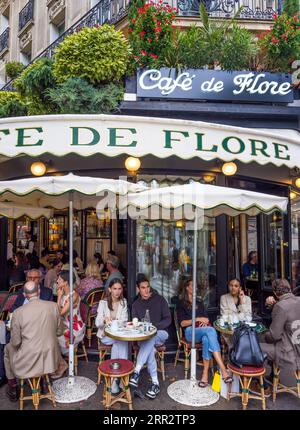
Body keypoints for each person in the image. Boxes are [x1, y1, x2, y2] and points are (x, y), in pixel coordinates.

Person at [4, 281, 63, 401]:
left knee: (7, 348)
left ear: (25, 294)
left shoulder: (18, 312)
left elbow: (16, 342)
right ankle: (42, 382)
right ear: (39, 291)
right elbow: (59, 332)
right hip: (51, 360)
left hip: (29, 360)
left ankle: (13, 386)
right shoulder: (53, 306)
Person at [176, 278, 233, 388]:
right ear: (187, 288)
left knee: (207, 339)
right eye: (193, 286)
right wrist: (197, 319)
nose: (196, 288)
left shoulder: (199, 302)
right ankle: (223, 369)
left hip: (202, 331)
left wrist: (202, 321)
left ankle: (205, 374)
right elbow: (182, 323)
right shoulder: (181, 303)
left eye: (196, 286)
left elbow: (206, 320)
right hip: (189, 332)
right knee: (210, 331)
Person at [129, 275, 171, 399]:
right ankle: (155, 384)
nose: (146, 290)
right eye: (143, 288)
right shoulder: (136, 305)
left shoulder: (160, 299)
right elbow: (135, 324)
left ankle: (136, 371)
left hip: (161, 333)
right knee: (150, 349)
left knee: (151, 336)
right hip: (144, 338)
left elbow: (168, 319)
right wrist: (144, 329)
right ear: (138, 289)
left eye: (148, 287)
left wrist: (153, 327)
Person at [257, 279, 300, 390]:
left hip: (289, 353)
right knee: (274, 344)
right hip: (297, 347)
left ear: (275, 293)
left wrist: (264, 333)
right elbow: (290, 317)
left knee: (257, 347)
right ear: (290, 288)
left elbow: (274, 336)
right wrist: (274, 305)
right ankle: (272, 376)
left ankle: (261, 385)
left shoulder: (281, 306)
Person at [95, 278, 128, 394]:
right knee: (121, 342)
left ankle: (114, 380)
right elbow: (97, 323)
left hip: (117, 336)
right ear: (110, 289)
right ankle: (124, 379)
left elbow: (124, 321)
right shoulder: (103, 303)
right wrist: (104, 320)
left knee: (118, 343)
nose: (117, 292)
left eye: (119, 289)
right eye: (115, 289)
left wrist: (113, 321)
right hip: (106, 335)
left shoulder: (124, 302)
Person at [57, 270, 85, 356]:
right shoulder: (63, 293)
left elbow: (60, 312)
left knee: (52, 335)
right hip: (64, 323)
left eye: (59, 279)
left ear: (66, 282)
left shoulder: (74, 295)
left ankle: (58, 360)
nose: (57, 281)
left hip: (74, 327)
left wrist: (58, 297)